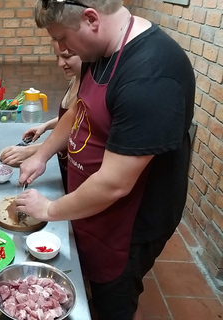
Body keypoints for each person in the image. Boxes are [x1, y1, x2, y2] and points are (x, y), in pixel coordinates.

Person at [16, 1, 195, 319]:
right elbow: (79, 108)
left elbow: (114, 184)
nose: (61, 49)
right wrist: (42, 154)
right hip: (93, 206)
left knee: (114, 301)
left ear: (91, 19)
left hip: (128, 223)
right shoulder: (100, 50)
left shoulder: (150, 76)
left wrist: (49, 209)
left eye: (62, 39)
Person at [0, 40, 81, 192]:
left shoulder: (87, 90)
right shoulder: (75, 79)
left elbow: (78, 134)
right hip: (64, 163)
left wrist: (32, 151)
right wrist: (45, 126)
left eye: (67, 56)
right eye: (57, 57)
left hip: (76, 169)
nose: (60, 63)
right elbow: (72, 120)